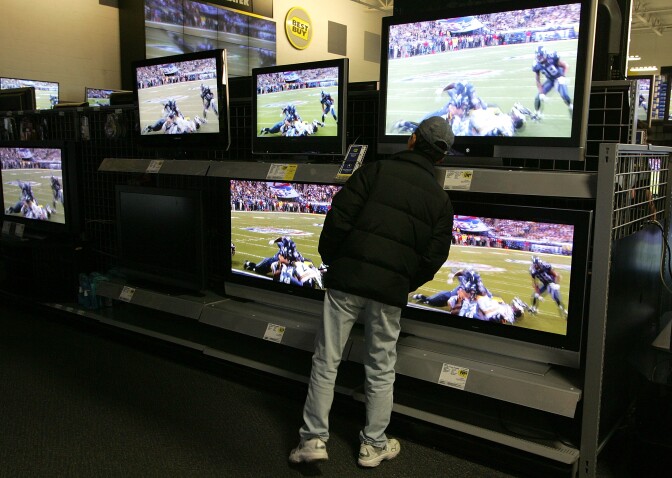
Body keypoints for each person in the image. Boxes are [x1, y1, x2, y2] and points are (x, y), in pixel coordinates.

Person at [288, 116, 455, 468]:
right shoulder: (440, 200)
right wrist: (402, 280)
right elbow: (435, 256)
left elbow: (338, 218)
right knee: (381, 367)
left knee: (326, 359)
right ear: (440, 159)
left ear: (411, 140)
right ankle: (373, 445)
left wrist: (336, 261)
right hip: (389, 291)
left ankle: (313, 440)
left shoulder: (374, 172)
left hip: (347, 279)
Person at [532, 45, 574, 118]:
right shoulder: (536, 64)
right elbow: (537, 80)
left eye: (540, 56)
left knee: (565, 95)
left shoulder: (552, 58)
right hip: (550, 80)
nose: (539, 58)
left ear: (545, 54)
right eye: (538, 56)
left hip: (559, 78)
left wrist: (563, 76)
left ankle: (571, 106)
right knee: (538, 97)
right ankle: (537, 113)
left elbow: (565, 65)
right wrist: (541, 93)